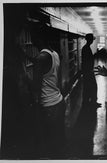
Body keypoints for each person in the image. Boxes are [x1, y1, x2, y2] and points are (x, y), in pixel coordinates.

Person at [26, 24, 66, 158]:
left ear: (38, 38)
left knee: (48, 146)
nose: (32, 42)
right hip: (59, 101)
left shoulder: (41, 58)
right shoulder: (54, 54)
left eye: (33, 39)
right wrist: (24, 55)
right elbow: (46, 70)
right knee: (58, 141)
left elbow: (35, 87)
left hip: (48, 107)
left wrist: (25, 77)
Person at [82, 33, 101, 107]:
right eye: (91, 39)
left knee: (88, 87)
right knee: (93, 86)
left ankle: (87, 102)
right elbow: (87, 60)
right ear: (89, 40)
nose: (92, 41)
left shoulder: (86, 48)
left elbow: (88, 59)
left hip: (88, 71)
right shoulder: (86, 48)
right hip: (88, 71)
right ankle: (91, 102)